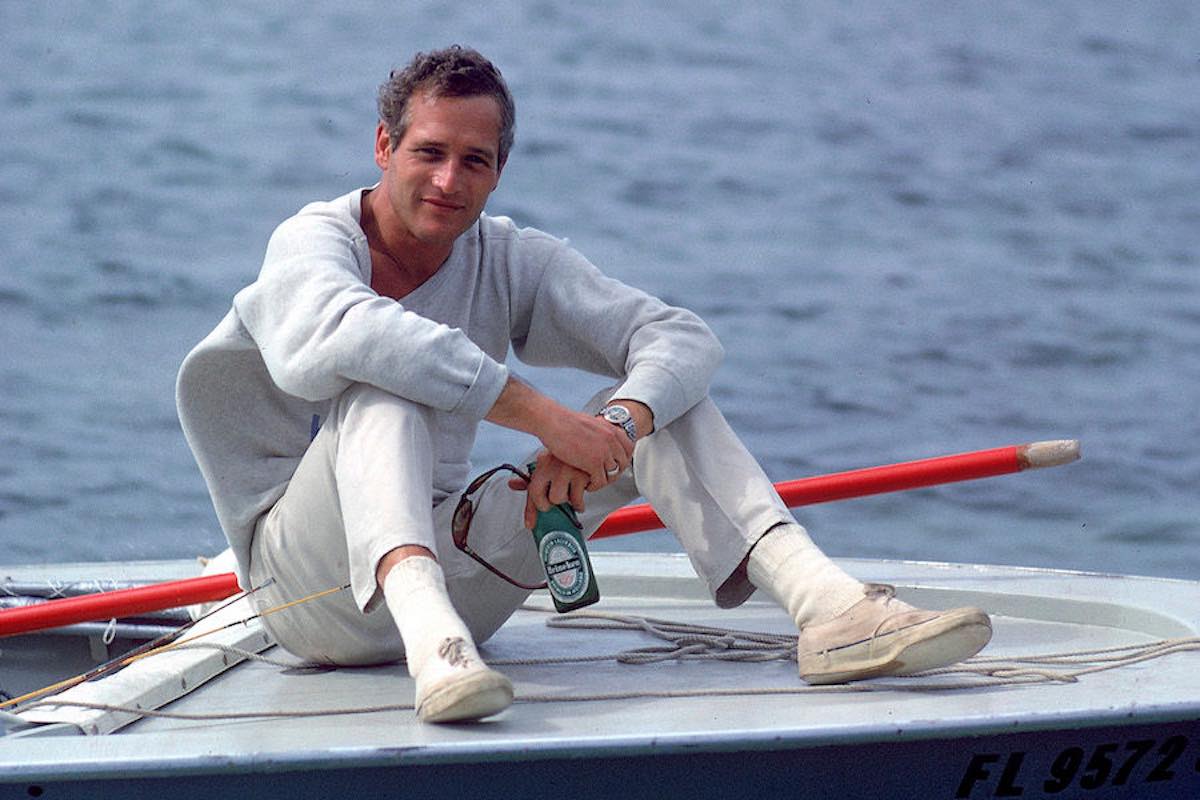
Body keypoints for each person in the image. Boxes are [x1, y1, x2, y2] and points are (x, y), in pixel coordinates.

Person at [177, 46, 991, 724]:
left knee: (663, 397)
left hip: (460, 579)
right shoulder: (312, 243)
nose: (448, 181)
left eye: (475, 161)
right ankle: (437, 652)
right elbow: (352, 334)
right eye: (428, 152)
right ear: (384, 147)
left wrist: (618, 428)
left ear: (500, 172)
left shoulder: (507, 257)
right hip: (308, 596)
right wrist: (542, 415)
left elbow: (679, 336)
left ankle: (828, 609)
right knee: (382, 383)